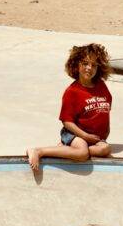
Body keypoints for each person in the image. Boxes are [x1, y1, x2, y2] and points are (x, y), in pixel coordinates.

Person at [27, 41, 114, 178]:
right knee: (82, 154)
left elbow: (106, 109)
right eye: (85, 63)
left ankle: (65, 150)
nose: (89, 68)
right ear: (76, 65)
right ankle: (39, 151)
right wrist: (84, 136)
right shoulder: (72, 91)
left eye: (93, 65)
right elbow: (67, 121)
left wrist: (103, 134)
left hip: (94, 138)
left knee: (105, 149)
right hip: (74, 133)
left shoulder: (101, 86)